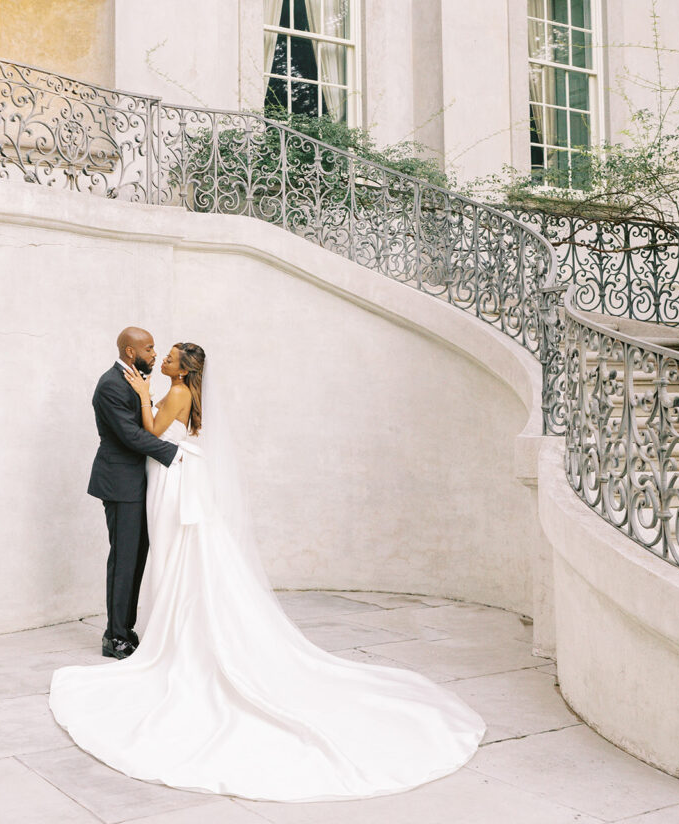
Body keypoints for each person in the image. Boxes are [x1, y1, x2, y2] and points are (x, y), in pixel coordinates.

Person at [50, 343, 485, 802]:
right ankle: (130, 630)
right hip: (163, 477)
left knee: (175, 555)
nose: (162, 357)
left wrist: (143, 397)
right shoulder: (169, 389)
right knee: (155, 554)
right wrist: (147, 403)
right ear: (131, 350)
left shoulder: (173, 392)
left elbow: (153, 429)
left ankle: (154, 631)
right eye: (157, 351)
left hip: (172, 478)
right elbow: (151, 432)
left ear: (184, 368)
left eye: (170, 355)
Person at [87, 327, 180, 659]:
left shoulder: (134, 379)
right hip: (119, 482)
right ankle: (114, 637)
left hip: (137, 482)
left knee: (136, 557)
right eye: (150, 348)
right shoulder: (111, 384)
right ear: (130, 352)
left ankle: (125, 629)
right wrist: (176, 454)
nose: (155, 354)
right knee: (124, 560)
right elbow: (130, 435)